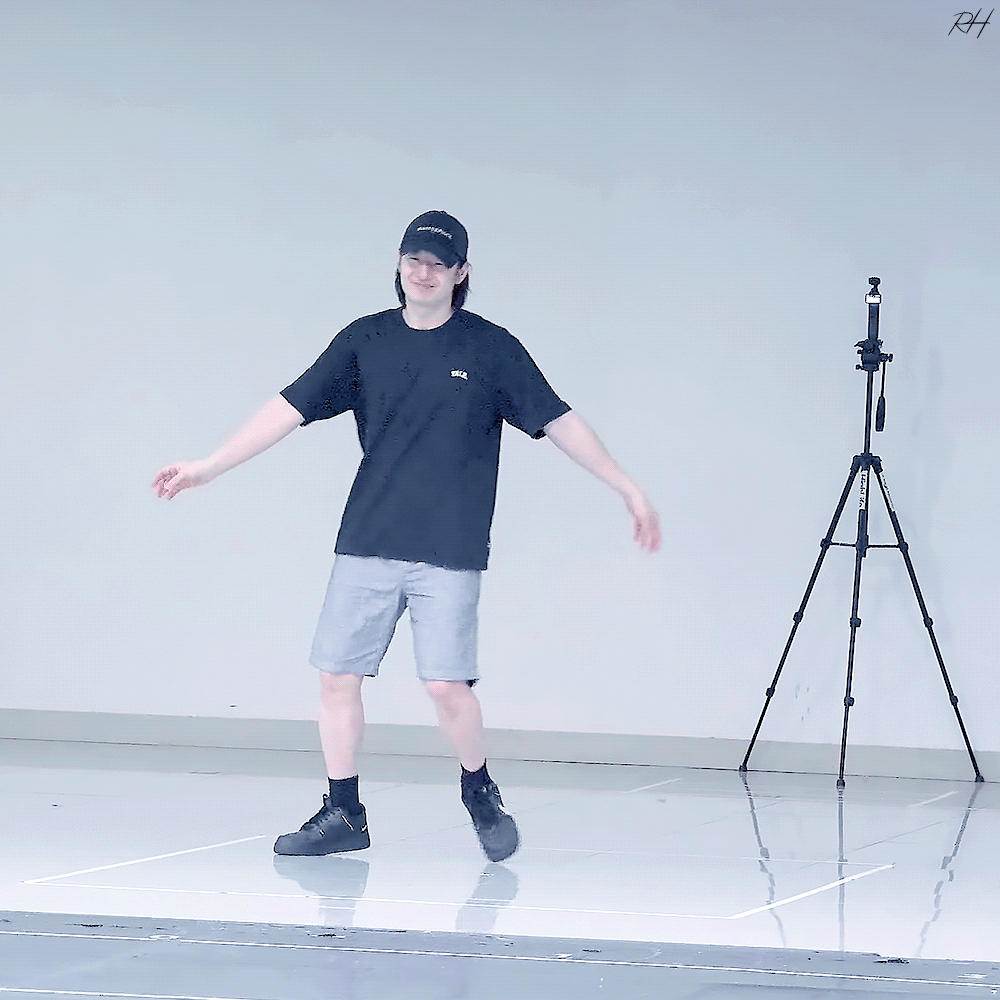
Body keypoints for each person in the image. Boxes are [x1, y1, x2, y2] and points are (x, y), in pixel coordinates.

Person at [152, 211, 660, 863]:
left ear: (461, 274)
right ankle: (343, 811)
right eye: (413, 259)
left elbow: (559, 421)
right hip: (369, 535)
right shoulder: (365, 341)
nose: (423, 272)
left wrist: (626, 487)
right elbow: (289, 406)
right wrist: (209, 466)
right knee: (337, 676)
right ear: (399, 263)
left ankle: (478, 789)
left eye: (438, 264)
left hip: (449, 546)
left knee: (447, 686)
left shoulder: (490, 349)